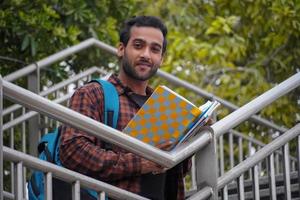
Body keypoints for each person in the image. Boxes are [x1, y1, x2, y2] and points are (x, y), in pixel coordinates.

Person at [60, 15, 190, 200]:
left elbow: (177, 172)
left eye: (155, 49)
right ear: (121, 49)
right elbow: (73, 151)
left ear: (161, 59)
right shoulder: (93, 94)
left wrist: (190, 134)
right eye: (138, 45)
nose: (146, 54)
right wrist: (139, 163)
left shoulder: (167, 107)